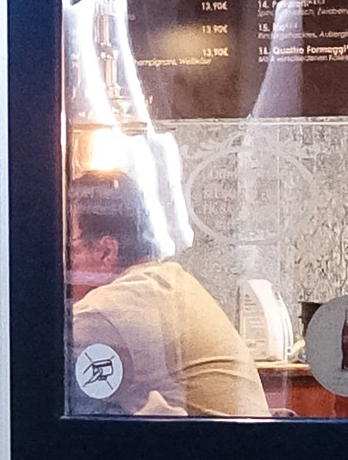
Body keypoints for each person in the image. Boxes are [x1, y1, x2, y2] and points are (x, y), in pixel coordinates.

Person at [65, 170, 268, 419]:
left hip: (217, 444)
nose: (60, 260)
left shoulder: (111, 310)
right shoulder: (164, 283)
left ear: (107, 251)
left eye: (68, 246)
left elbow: (34, 365)